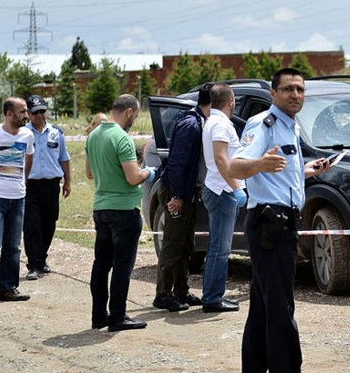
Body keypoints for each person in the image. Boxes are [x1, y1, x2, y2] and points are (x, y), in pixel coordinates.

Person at [229, 68, 328, 373]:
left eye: (300, 89)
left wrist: (310, 171)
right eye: (288, 89)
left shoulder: (291, 126)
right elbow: (235, 167)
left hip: (281, 223)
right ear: (273, 93)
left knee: (263, 309)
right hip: (271, 226)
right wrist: (258, 163)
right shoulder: (264, 125)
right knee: (281, 310)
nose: (295, 95)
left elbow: (281, 171)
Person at [85, 94, 155, 331]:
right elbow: (133, 177)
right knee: (122, 266)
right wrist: (149, 172)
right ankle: (117, 316)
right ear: (128, 112)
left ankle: (98, 316)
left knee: (101, 264)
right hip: (124, 210)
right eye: (135, 115)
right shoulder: (122, 138)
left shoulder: (93, 135)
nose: (134, 119)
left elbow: (89, 173)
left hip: (101, 207)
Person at [152, 84, 212, 312]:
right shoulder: (191, 125)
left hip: (187, 192)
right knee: (173, 244)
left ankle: (181, 291)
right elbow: (178, 163)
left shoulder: (198, 122)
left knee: (186, 245)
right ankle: (163, 295)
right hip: (176, 192)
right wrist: (177, 196)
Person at [0, 97, 34, 304]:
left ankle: (8, 289)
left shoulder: (27, 135)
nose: (27, 115)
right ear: (9, 114)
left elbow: (29, 156)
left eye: (26, 111)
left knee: (13, 246)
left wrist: (24, 180)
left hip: (17, 197)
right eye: (22, 112)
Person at [200, 83, 246, 312]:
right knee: (220, 249)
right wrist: (236, 187)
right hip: (222, 191)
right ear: (230, 101)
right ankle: (212, 298)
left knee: (218, 247)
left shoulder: (214, 121)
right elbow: (220, 158)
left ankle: (212, 295)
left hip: (220, 189)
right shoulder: (219, 124)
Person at [23, 94, 71, 281]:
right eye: (35, 112)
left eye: (42, 111)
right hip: (30, 186)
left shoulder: (56, 132)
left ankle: (42, 258)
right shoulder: (23, 133)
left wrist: (68, 181)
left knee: (49, 224)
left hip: (51, 185)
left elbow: (64, 158)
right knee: (32, 226)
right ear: (28, 114)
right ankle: (33, 265)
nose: (39, 115)